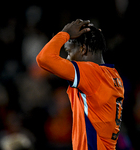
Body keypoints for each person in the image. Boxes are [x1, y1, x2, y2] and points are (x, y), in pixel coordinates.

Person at [36, 19, 124, 150]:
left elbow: (44, 59)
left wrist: (64, 33)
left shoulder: (92, 73)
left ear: (83, 49)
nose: (67, 58)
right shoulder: (114, 76)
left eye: (69, 52)